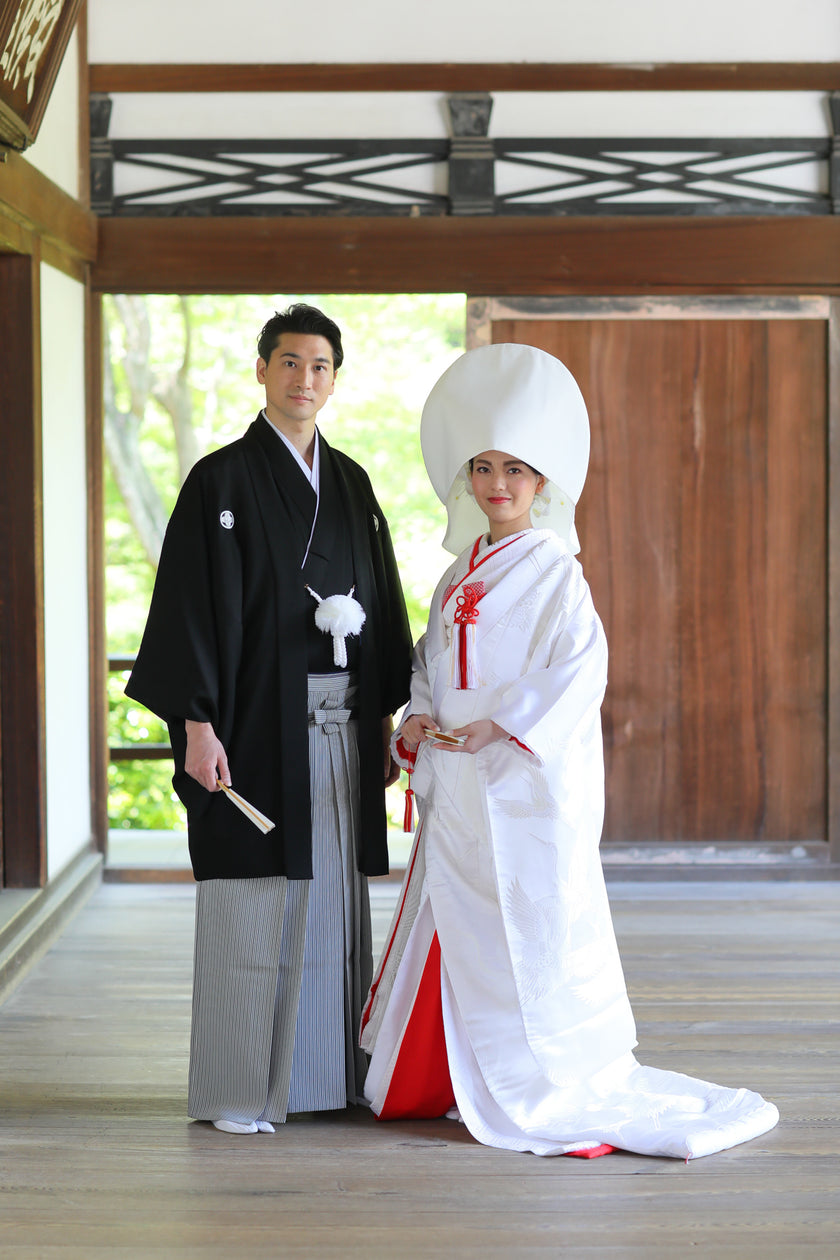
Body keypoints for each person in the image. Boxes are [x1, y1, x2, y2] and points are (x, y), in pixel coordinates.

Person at [361, 342, 779, 1159]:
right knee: (450, 917)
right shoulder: (458, 577)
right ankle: (439, 1076)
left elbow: (581, 670)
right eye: (482, 467)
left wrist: (504, 723)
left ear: (541, 483)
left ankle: (529, 1077)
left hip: (519, 787)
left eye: (515, 470)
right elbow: (427, 663)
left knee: (529, 923)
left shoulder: (555, 572)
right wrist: (415, 718)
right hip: (457, 782)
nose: (497, 485)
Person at [126, 304, 413, 1135]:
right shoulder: (220, 481)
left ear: (334, 379)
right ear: (262, 371)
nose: (305, 380)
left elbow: (384, 607)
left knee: (330, 903)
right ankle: (238, 1088)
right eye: (289, 363)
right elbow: (189, 608)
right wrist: (196, 722)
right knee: (253, 899)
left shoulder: (352, 483)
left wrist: (385, 714)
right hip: (252, 728)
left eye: (320, 366)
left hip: (341, 729)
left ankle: (326, 1082)